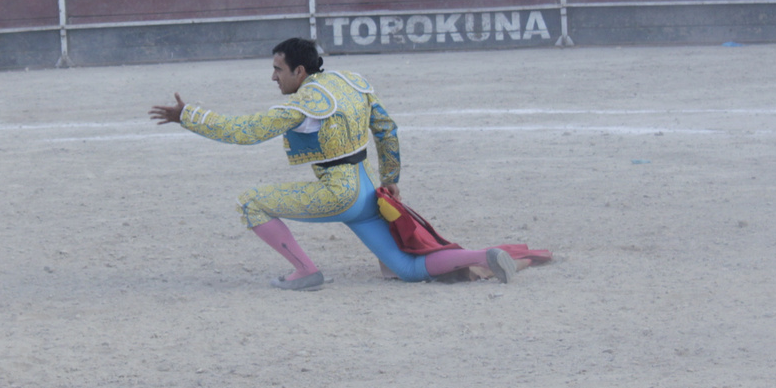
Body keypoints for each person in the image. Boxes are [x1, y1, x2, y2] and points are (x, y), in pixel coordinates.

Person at [148, 38, 539, 290]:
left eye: (278, 70)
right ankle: (482, 256)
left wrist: (190, 116)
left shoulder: (304, 102)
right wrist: (392, 179)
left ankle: (305, 272)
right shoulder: (352, 82)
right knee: (408, 270)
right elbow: (386, 128)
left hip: (337, 193)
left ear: (300, 72)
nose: (273, 77)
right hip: (367, 191)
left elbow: (246, 131)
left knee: (251, 203)